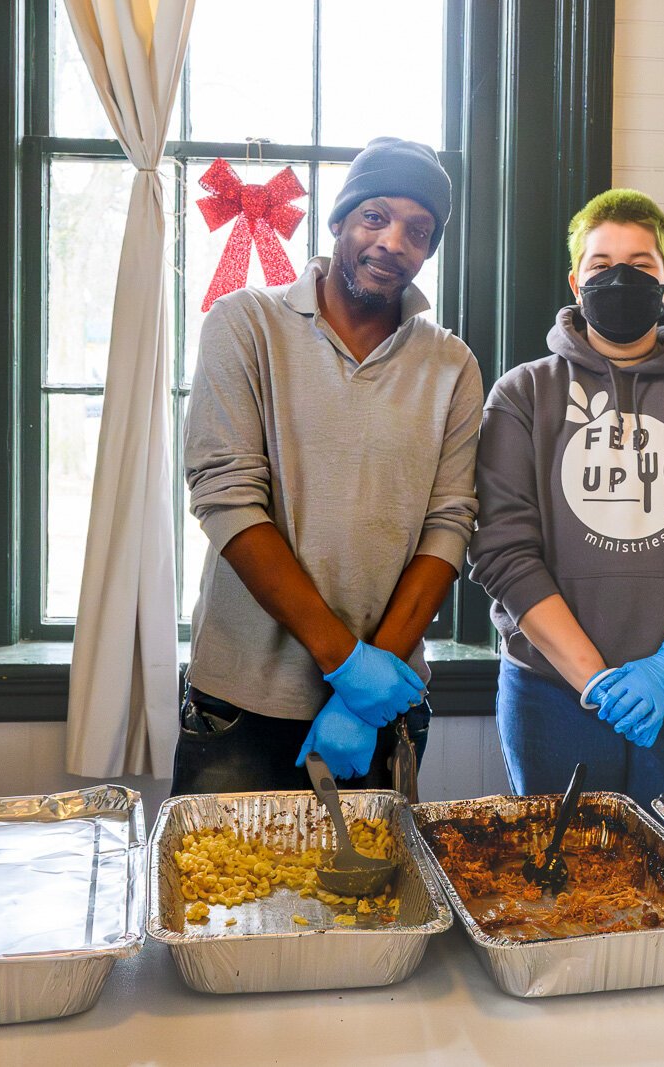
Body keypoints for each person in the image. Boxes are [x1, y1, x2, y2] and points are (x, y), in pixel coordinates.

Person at [174, 137, 483, 793]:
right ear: (339, 221)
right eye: (375, 216)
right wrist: (345, 661)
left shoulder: (451, 365)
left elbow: (448, 525)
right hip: (241, 706)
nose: (393, 241)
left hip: (380, 710)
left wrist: (362, 689)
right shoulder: (245, 324)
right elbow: (227, 497)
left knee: (370, 898)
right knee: (217, 897)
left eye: (418, 230)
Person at [469, 189, 664, 800]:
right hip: (551, 694)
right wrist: (593, 679)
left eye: (640, 265)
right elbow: (502, 551)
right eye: (601, 264)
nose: (620, 277)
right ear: (574, 280)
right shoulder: (521, 395)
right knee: (564, 887)